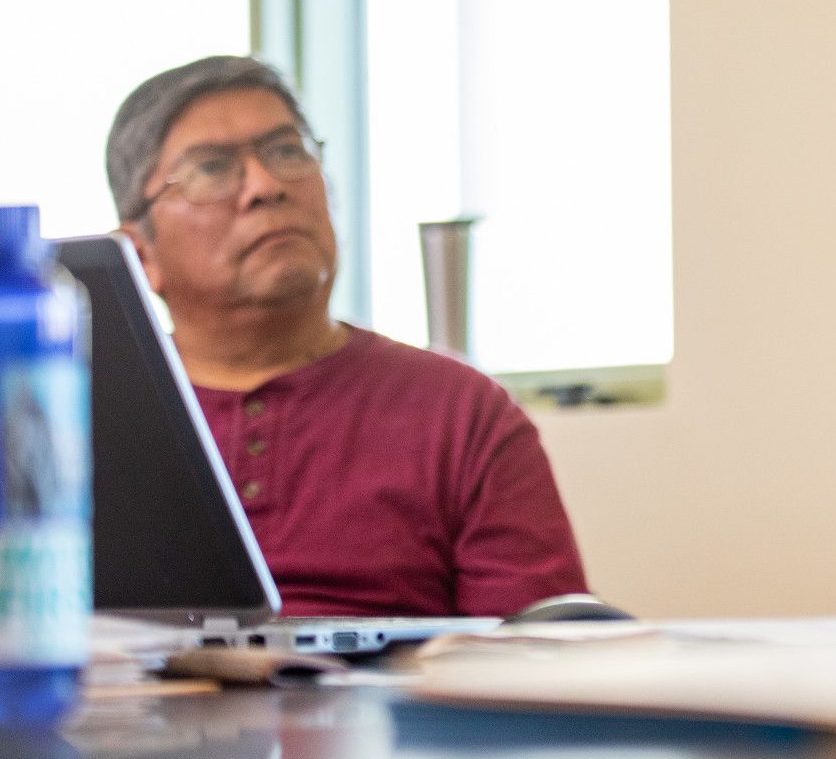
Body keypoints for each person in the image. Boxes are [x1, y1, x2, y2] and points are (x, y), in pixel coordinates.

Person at [106, 55, 589, 617]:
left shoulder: (463, 414)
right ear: (139, 254)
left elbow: (538, 665)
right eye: (212, 169)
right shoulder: (81, 418)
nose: (265, 187)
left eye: (288, 152)